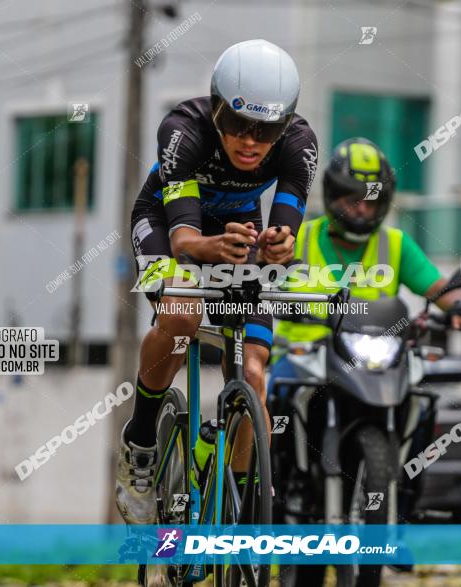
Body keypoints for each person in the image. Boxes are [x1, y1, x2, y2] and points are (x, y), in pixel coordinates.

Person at [117, 39, 318, 525]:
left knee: (252, 371)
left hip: (238, 230)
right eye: (236, 124)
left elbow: (284, 233)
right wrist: (210, 247)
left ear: (286, 123)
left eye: (266, 129)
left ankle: (241, 498)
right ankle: (141, 444)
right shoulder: (182, 131)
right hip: (167, 223)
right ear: (215, 109)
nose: (250, 142)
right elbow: (186, 238)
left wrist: (277, 245)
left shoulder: (299, 146)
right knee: (182, 315)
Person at [268, 137, 461, 384]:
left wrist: (459, 305)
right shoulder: (298, 237)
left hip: (372, 364)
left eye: (371, 202)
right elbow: (257, 278)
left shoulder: (395, 243)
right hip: (302, 358)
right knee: (276, 397)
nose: (362, 210)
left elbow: (437, 287)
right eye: (353, 200)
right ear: (332, 195)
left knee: (419, 403)